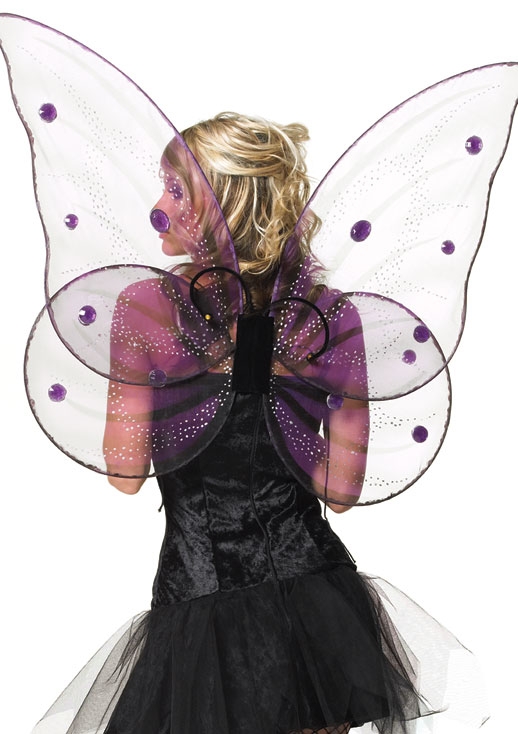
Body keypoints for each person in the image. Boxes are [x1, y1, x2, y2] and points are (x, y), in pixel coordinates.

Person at [41, 112, 475, 734]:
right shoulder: (329, 316)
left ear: (226, 205)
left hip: (199, 602)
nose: (159, 206)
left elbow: (125, 472)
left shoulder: (145, 308)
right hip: (311, 603)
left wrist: (191, 390)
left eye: (177, 190)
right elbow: (341, 492)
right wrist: (278, 396)